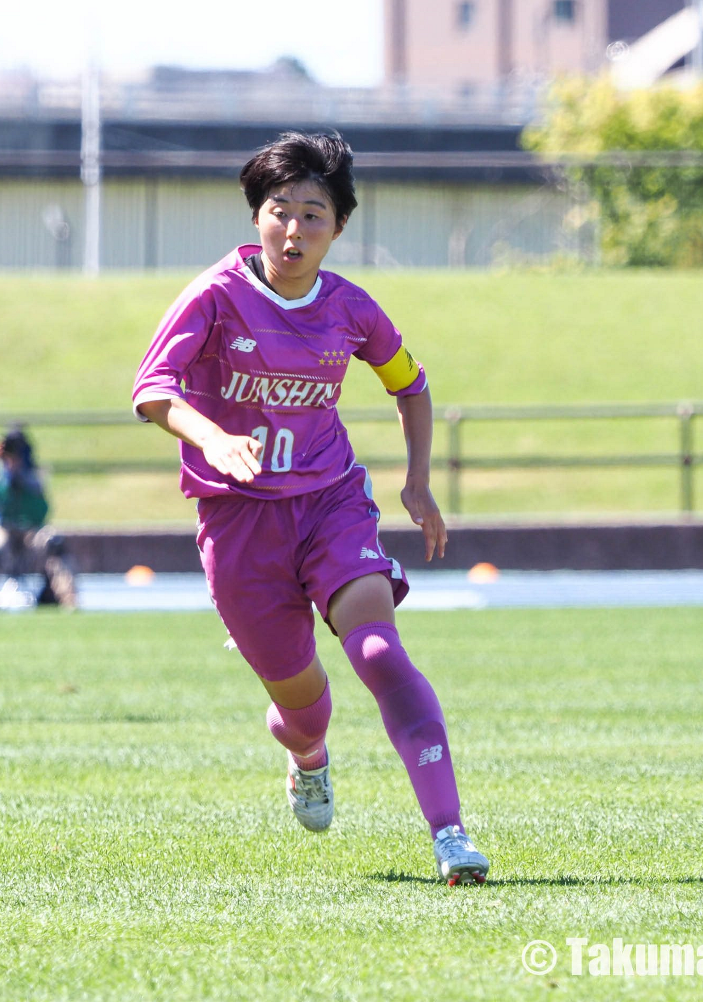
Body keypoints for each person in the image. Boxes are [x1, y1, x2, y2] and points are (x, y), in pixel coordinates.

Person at [131, 132, 489, 885]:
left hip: (330, 504)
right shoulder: (215, 296)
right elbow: (153, 392)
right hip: (238, 524)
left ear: (339, 226)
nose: (293, 231)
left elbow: (409, 384)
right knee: (303, 705)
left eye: (313, 216)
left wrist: (417, 482)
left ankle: (451, 835)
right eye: (279, 212)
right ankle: (307, 756)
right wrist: (213, 436)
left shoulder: (350, 309)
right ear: (257, 216)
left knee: (379, 652)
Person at [0, 426, 77, 610]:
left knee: (53, 543)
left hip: (31, 529)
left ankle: (67, 597)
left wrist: (18, 469)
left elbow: (39, 502)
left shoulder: (32, 472)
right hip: (4, 528)